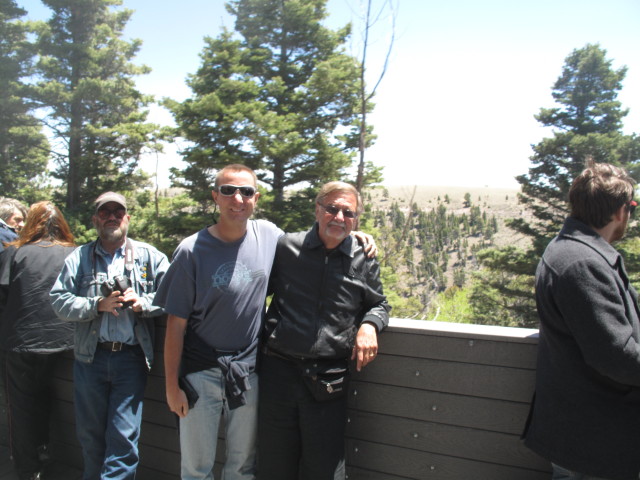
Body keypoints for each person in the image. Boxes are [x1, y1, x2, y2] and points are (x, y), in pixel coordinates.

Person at [154, 165, 376, 480]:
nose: (238, 199)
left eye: (246, 192)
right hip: (200, 371)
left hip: (249, 371)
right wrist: (171, 386)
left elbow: (316, 243)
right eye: (229, 190)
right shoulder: (191, 250)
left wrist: (350, 234)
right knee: (196, 468)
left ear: (256, 198)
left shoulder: (270, 236)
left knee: (243, 466)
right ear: (215, 196)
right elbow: (175, 325)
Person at [258, 181, 390, 480]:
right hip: (278, 372)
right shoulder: (286, 247)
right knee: (273, 465)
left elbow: (379, 304)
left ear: (356, 220)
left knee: (326, 469)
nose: (339, 218)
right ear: (317, 210)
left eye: (348, 213)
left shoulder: (363, 256)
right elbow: (254, 290)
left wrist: (369, 326)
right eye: (331, 209)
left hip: (329, 379)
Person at [522, 162, 640, 480]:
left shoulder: (567, 251)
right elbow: (616, 357)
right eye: (633, 206)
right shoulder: (583, 264)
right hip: (598, 444)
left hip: (580, 433)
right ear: (620, 211)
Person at [50, 192, 169, 480]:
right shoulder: (79, 257)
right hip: (89, 359)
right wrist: (96, 305)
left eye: (118, 212)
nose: (112, 217)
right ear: (96, 220)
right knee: (90, 437)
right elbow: (58, 300)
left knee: (124, 439)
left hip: (131, 360)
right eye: (105, 212)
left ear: (128, 218)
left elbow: (173, 294)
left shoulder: (150, 256)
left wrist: (144, 303)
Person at [0, 202, 76, 480]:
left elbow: (3, 296)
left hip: (21, 341)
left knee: (20, 407)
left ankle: (27, 469)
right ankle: (44, 452)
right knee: (45, 397)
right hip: (64, 340)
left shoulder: (15, 252)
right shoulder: (74, 252)